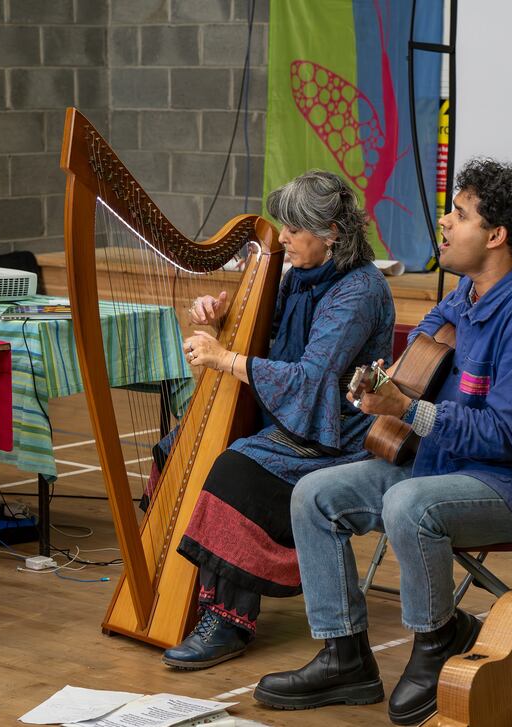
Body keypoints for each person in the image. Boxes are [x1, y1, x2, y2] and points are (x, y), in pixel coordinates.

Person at [253, 158, 512, 724]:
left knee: (408, 504)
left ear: (496, 235)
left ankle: (437, 644)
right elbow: (428, 344)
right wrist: (382, 384)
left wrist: (408, 407)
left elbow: (508, 438)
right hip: (447, 464)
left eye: (459, 214)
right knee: (314, 495)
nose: (444, 223)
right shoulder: (468, 292)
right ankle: (345, 658)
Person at [158, 170, 395, 670]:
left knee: (237, 468)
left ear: (331, 231)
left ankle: (227, 621)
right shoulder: (300, 278)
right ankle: (184, 587)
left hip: (335, 432)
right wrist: (220, 322)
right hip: (289, 418)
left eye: (293, 227)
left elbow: (312, 380)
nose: (282, 237)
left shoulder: (358, 290)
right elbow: (267, 349)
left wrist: (223, 359)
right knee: (174, 448)